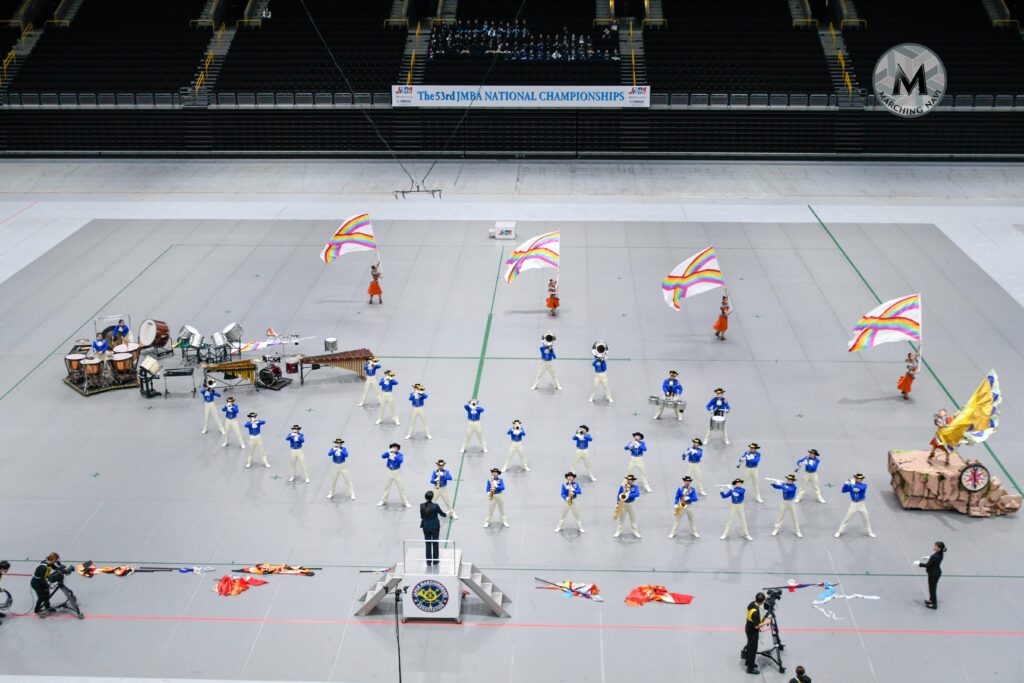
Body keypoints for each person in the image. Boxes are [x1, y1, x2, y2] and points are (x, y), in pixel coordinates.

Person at [834, 473, 876, 538]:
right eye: (858, 478)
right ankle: (839, 531)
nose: (859, 480)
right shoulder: (851, 485)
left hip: (861, 505)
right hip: (853, 505)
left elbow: (858, 488)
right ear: (855, 478)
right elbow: (843, 490)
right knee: (846, 519)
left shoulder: (864, 485)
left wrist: (852, 484)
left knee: (866, 519)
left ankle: (869, 532)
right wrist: (846, 483)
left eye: (860, 479)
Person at [378, 443, 411, 508]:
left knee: (401, 488)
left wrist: (395, 456)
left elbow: (401, 461)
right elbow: (383, 456)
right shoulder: (389, 453)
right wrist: (388, 452)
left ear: (398, 449)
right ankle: (383, 500)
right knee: (387, 487)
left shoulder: (400, 454)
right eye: (393, 448)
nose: (394, 449)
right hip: (389, 471)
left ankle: (405, 502)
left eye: (395, 448)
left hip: (397, 472)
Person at [743, 592, 768, 674]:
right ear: (762, 601)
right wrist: (766, 622)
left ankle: (748, 662)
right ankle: (750, 669)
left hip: (748, 627)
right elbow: (757, 626)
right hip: (752, 631)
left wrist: (765, 597)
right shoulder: (755, 613)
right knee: (753, 650)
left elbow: (759, 600)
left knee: (750, 646)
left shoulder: (752, 603)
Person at [420, 491, 447, 566]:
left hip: (426, 526)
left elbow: (422, 517)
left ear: (425, 497)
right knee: (435, 543)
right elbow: (442, 514)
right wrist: (446, 514)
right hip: (435, 526)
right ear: (432, 497)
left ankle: (428, 561)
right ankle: (435, 560)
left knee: (427, 543)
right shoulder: (436, 506)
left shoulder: (421, 506)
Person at [917, 541, 946, 609]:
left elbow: (927, 565)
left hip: (934, 574)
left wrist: (919, 563)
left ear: (939, 548)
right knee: (931, 588)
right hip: (934, 573)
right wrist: (927, 557)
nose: (934, 547)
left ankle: (934, 604)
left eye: (936, 546)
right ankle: (931, 600)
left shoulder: (936, 556)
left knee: (932, 589)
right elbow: (933, 557)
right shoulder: (939, 553)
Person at [614, 474, 642, 538]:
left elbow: (637, 494)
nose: (629, 481)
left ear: (633, 481)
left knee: (633, 519)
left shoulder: (635, 487)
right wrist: (617, 503)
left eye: (630, 480)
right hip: (623, 504)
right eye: (628, 480)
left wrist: (629, 495)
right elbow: (618, 495)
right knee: (621, 519)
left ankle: (635, 531)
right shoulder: (623, 487)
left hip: (631, 505)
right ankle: (619, 531)